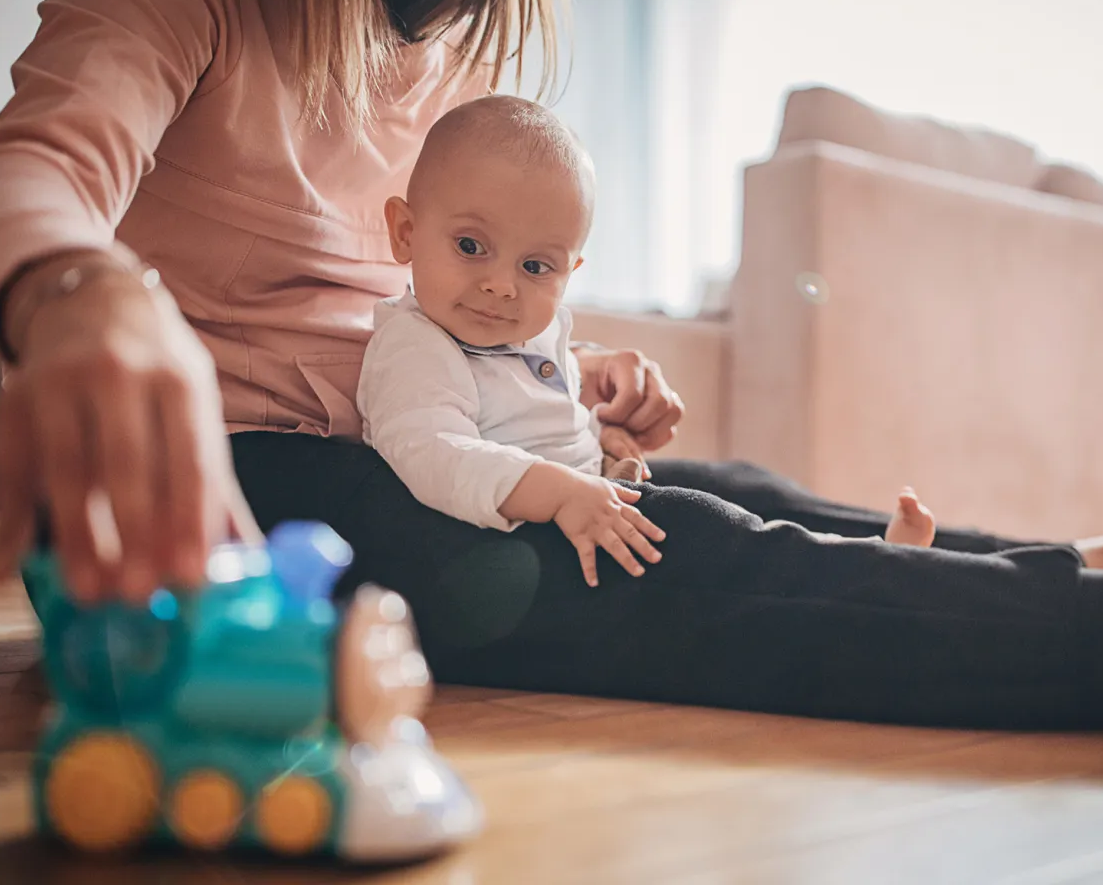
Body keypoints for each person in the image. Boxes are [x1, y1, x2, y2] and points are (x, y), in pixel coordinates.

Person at [0, 0, 1103, 730]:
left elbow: (419, 318)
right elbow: (13, 177)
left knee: (724, 486)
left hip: (401, 436)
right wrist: (77, 290)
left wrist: (562, 374)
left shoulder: (448, 45)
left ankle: (1082, 565)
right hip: (258, 489)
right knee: (687, 557)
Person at [356, 94, 937, 589]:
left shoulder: (534, 334)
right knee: (711, 527)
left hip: (597, 499)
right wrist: (561, 492)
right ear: (406, 232)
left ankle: (868, 553)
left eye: (535, 267)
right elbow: (434, 453)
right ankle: (867, 576)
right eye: (470, 246)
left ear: (570, 273)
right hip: (534, 547)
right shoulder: (415, 345)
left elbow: (543, 418)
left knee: (743, 484)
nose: (502, 285)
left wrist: (601, 435)